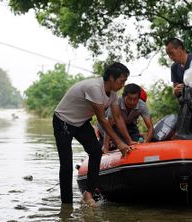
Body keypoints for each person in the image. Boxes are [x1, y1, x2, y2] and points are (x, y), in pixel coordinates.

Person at [53, 62, 135, 206]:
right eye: (122, 81)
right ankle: (66, 205)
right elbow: (102, 120)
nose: (123, 85)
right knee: (66, 163)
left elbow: (118, 117)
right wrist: (119, 143)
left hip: (81, 122)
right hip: (63, 120)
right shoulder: (95, 88)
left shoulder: (113, 94)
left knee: (96, 152)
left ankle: (88, 193)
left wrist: (128, 141)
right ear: (111, 77)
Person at [99, 84, 155, 152]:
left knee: (136, 142)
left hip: (129, 125)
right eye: (129, 99)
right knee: (119, 143)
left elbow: (150, 127)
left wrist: (146, 143)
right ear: (123, 96)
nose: (132, 102)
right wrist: (105, 146)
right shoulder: (116, 102)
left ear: (139, 98)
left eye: (135, 99)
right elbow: (108, 125)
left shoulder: (142, 105)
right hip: (109, 125)